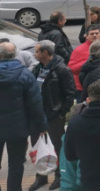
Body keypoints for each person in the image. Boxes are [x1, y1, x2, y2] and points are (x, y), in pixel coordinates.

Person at [1, 42, 48, 191]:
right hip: (18, 128)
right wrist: (42, 126)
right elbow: (35, 103)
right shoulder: (25, 74)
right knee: (16, 163)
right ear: (16, 54)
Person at [30, 40, 75, 191]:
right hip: (37, 115)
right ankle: (41, 176)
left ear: (45, 53)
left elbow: (70, 94)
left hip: (54, 116)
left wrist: (61, 113)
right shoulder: (37, 69)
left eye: (37, 51)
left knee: (56, 146)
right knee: (38, 146)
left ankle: (59, 176)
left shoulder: (62, 70)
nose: (34, 54)